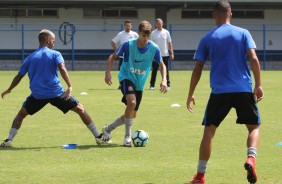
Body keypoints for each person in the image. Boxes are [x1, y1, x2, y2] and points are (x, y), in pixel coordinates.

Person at [186, 1, 264, 184]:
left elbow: (198, 67)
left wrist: (190, 93)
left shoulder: (207, 38)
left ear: (214, 15)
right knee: (254, 127)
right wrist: (258, 84)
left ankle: (200, 175)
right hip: (243, 89)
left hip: (219, 92)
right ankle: (251, 158)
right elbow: (253, 58)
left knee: (209, 131)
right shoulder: (243, 33)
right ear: (231, 14)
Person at [0, 29, 109, 148]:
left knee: (21, 114)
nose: (54, 43)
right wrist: (70, 86)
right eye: (53, 40)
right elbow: (62, 68)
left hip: (37, 95)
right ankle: (98, 137)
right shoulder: (55, 54)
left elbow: (19, 76)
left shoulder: (30, 57)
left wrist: (9, 89)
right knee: (80, 109)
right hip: (56, 93)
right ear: (47, 40)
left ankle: (9, 140)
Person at [104, 20, 168, 147]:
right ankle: (127, 137)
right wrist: (108, 73)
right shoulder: (128, 45)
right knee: (132, 102)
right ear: (138, 33)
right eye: (143, 36)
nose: (145, 39)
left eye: (147, 36)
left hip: (140, 83)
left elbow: (162, 64)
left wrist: (164, 80)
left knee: (132, 113)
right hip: (126, 77)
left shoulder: (153, 48)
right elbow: (112, 57)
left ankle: (108, 129)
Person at [149, 18, 174, 90]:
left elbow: (169, 43)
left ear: (162, 24)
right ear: (156, 24)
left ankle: (168, 84)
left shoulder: (166, 32)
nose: (159, 25)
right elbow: (150, 45)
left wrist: (171, 52)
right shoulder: (153, 33)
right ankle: (152, 85)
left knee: (166, 70)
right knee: (154, 71)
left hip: (165, 54)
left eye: (160, 23)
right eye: (157, 24)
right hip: (155, 55)